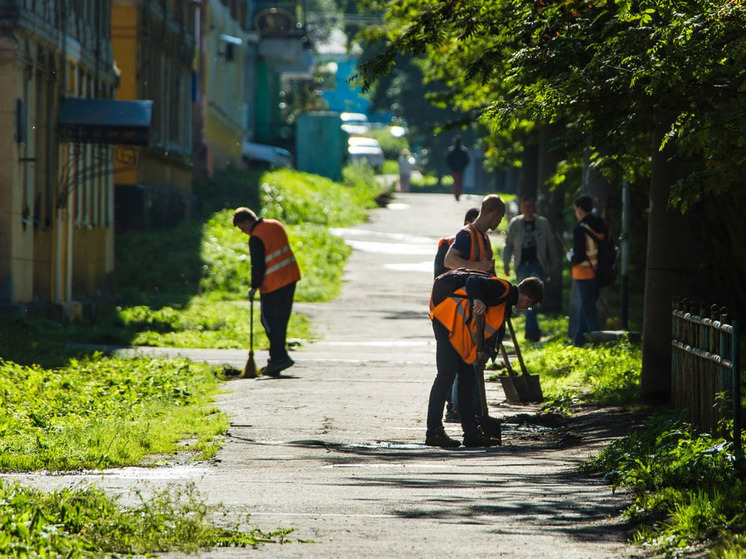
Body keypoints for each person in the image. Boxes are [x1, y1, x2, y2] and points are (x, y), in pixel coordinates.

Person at [426, 271, 545, 448]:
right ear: (528, 298)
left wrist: (480, 350)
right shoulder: (502, 288)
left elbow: (482, 326)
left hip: (459, 332)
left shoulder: (504, 303)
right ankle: (434, 432)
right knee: (445, 376)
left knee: (467, 378)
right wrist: (477, 299)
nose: (526, 307)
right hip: (447, 321)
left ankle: (471, 433)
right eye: (529, 305)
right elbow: (473, 282)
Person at [233, 207, 301, 376]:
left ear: (247, 222)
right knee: (281, 320)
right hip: (290, 278)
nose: (244, 233)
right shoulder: (276, 225)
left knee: (269, 322)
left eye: (242, 228)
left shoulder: (256, 237)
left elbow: (258, 266)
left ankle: (279, 358)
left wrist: (253, 287)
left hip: (272, 284)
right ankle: (278, 358)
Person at [502, 195, 558, 342]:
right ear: (521, 207)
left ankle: (531, 333)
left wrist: (552, 266)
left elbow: (551, 247)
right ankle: (532, 332)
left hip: (538, 265)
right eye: (525, 206)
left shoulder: (543, 224)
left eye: (531, 206)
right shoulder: (515, 224)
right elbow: (508, 244)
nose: (528, 209)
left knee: (532, 296)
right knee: (525, 297)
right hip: (521, 265)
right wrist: (506, 263)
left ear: (535, 207)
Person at [567, 195, 609, 347]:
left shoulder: (580, 229)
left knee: (589, 310)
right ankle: (578, 342)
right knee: (585, 308)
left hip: (584, 273)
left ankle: (598, 343)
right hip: (600, 273)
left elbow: (579, 256)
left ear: (579, 209)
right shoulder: (602, 225)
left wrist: (570, 256)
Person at [443, 193, 505, 275]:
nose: (500, 221)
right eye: (501, 217)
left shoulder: (484, 237)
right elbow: (449, 261)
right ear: (494, 214)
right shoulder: (466, 234)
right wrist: (478, 266)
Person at [433, 207, 480, 279]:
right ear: (467, 224)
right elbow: (439, 278)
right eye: (477, 226)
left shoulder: (484, 244)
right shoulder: (447, 244)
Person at [445, 136, 470, 201]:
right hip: (457, 169)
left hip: (458, 169)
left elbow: (466, 160)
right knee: (458, 182)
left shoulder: (455, 150)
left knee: (457, 182)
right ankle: (457, 194)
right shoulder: (461, 150)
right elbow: (448, 160)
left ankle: (457, 194)